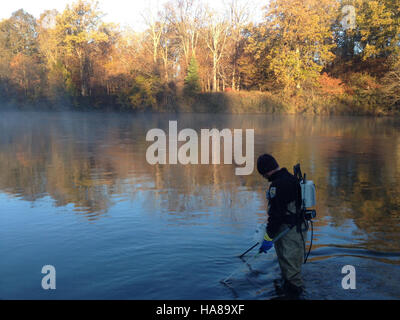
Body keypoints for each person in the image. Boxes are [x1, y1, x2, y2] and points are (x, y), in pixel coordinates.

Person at [256, 154, 307, 299]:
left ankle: (295, 294)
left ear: (266, 171)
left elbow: (276, 215)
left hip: (290, 232)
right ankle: (289, 291)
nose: (264, 177)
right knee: (290, 269)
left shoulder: (278, 185)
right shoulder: (290, 178)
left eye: (263, 174)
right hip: (295, 229)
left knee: (292, 275)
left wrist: (268, 237)